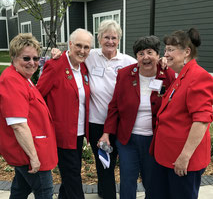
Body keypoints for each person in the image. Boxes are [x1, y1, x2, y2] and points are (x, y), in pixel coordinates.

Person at [99, 36, 175, 199]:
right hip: (128, 140)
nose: (146, 57)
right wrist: (106, 133)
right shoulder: (125, 74)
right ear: (136, 57)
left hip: (155, 141)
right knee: (127, 181)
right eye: (141, 53)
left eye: (150, 52)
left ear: (157, 55)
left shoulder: (168, 75)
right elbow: (114, 106)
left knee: (152, 182)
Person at [150, 28, 213, 199]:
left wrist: (184, 157)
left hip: (182, 160)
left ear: (187, 52)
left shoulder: (198, 76)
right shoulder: (182, 75)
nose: (166, 53)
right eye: (166, 49)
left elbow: (201, 121)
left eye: (170, 49)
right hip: (168, 155)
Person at [37, 28, 93, 199]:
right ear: (70, 44)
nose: (82, 51)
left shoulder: (83, 68)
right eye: (78, 45)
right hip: (62, 134)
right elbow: (38, 96)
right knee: (73, 176)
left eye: (86, 47)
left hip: (78, 132)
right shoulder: (55, 65)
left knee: (71, 174)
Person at [0, 33, 58, 199]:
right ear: (13, 57)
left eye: (36, 58)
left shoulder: (23, 77)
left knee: (20, 190)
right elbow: (17, 124)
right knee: (44, 192)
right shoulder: (11, 81)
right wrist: (34, 158)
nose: (32, 63)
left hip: (31, 149)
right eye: (26, 58)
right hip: (30, 153)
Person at [86, 20, 137, 199]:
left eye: (114, 38)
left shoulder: (129, 62)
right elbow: (71, 56)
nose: (110, 41)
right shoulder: (90, 56)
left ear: (119, 39)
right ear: (99, 38)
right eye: (106, 37)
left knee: (119, 161)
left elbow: (149, 69)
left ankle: (105, 191)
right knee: (103, 163)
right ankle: (107, 194)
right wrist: (56, 52)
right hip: (97, 123)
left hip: (120, 123)